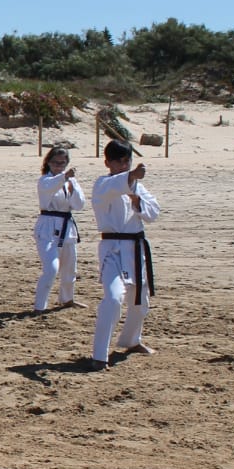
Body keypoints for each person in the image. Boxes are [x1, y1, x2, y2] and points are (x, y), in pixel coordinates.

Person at [89, 140, 160, 369]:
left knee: (140, 301)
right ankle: (99, 355)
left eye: (126, 160)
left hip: (136, 249)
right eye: (118, 161)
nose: (123, 165)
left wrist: (137, 199)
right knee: (113, 297)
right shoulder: (103, 184)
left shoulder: (137, 187)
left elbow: (153, 213)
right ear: (107, 162)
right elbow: (116, 186)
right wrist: (131, 176)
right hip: (113, 250)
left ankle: (131, 339)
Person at [33, 146, 86, 313]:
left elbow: (79, 204)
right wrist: (64, 177)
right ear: (48, 163)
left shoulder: (70, 182)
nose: (59, 166)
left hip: (66, 226)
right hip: (47, 227)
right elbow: (49, 187)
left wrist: (72, 188)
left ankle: (67, 298)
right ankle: (39, 306)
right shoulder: (44, 180)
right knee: (51, 268)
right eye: (55, 163)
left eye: (62, 163)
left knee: (70, 267)